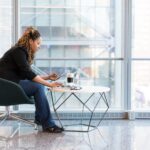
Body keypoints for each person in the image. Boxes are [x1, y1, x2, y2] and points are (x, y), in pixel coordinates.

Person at [0, 26, 64, 133]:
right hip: (5, 87)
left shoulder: (20, 51)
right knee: (39, 86)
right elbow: (29, 74)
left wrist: (48, 78)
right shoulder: (19, 51)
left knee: (39, 85)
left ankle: (40, 119)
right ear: (30, 41)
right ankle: (48, 124)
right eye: (38, 43)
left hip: (10, 84)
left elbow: (28, 75)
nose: (39, 47)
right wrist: (50, 84)